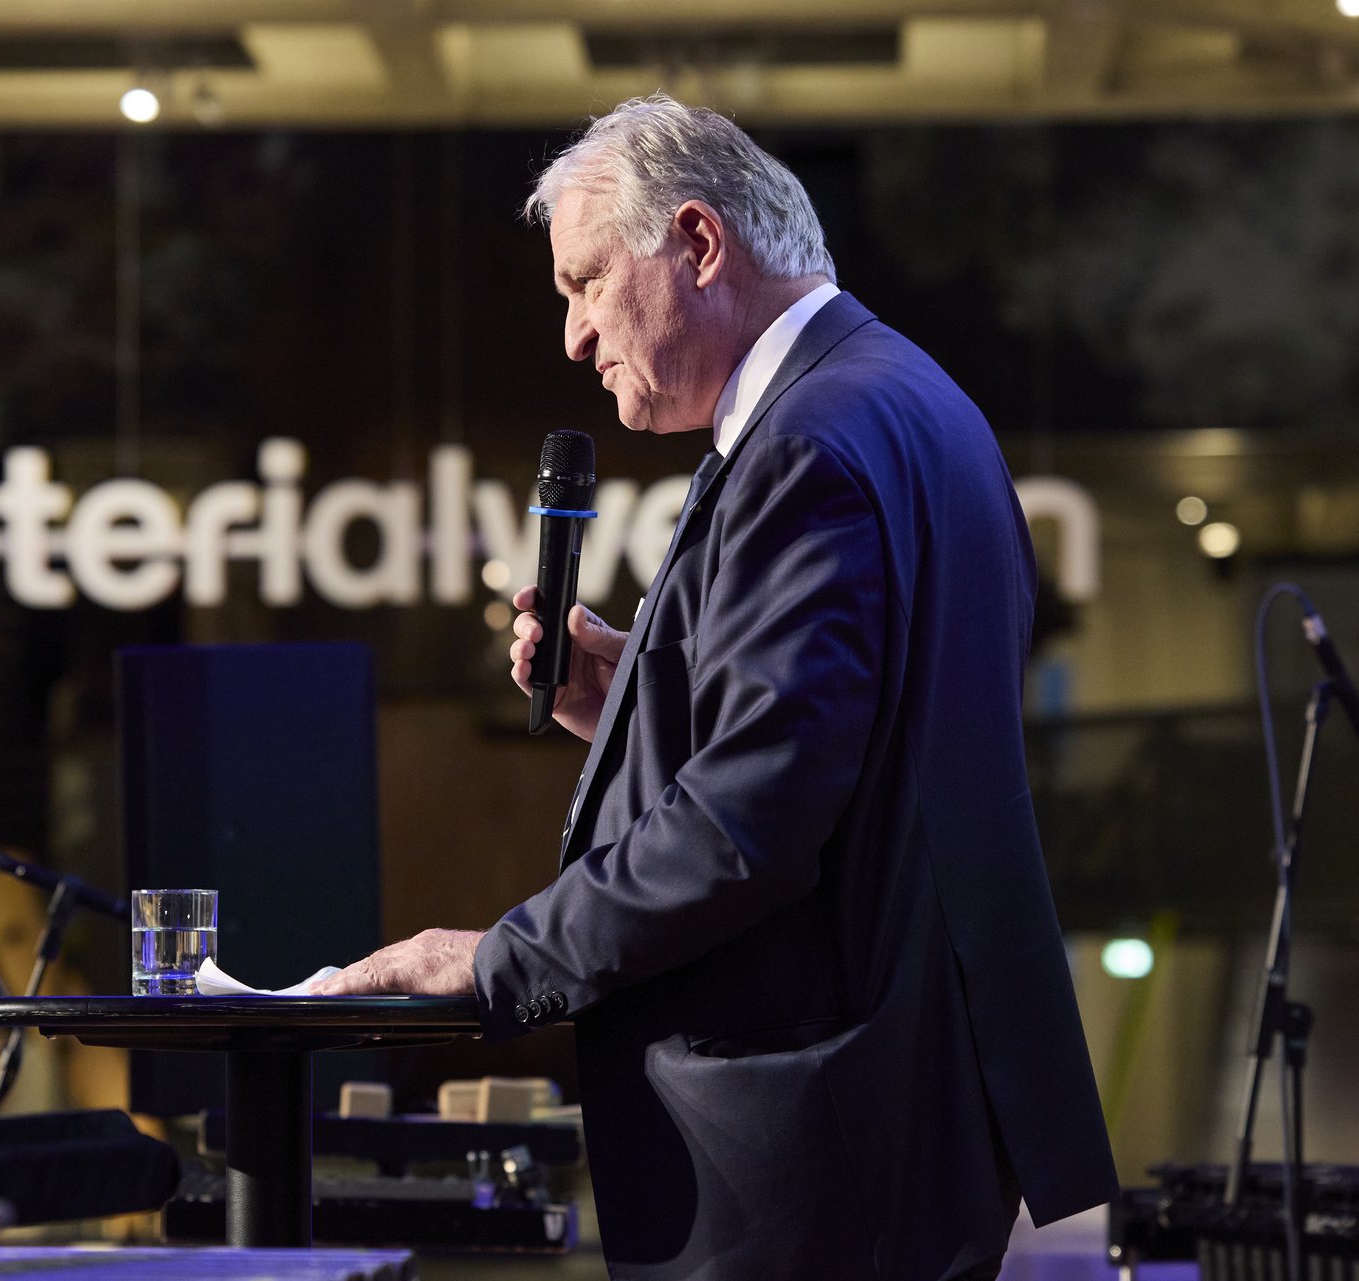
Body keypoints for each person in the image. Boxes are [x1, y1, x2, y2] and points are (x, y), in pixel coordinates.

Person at [312, 94, 1117, 1279]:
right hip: (889, 1122)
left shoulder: (802, 446)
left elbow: (755, 824)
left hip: (810, 1142)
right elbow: (865, 766)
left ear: (698, 245)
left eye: (586, 283)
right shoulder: (911, 403)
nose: (574, 339)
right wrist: (636, 712)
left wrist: (498, 960)